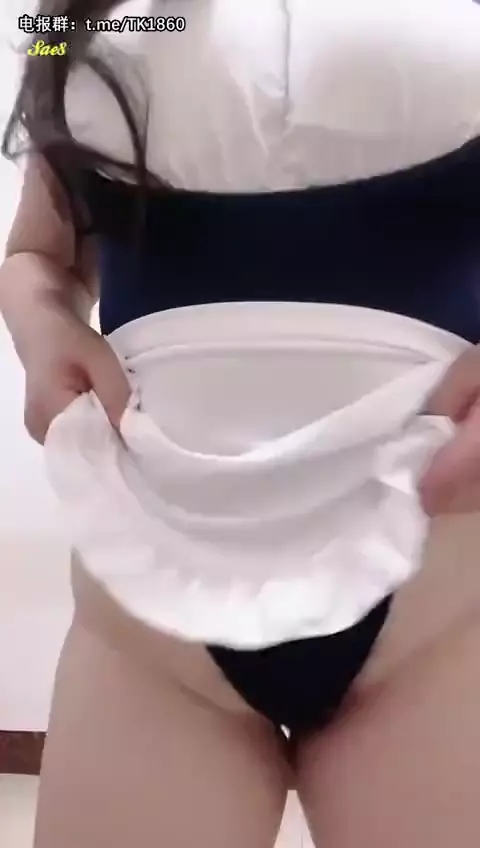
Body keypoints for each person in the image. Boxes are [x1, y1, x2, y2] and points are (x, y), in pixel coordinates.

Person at [2, 1, 480, 846]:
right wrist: (41, 329)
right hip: (149, 607)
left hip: (436, 596)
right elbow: (37, 250)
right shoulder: (70, 14)